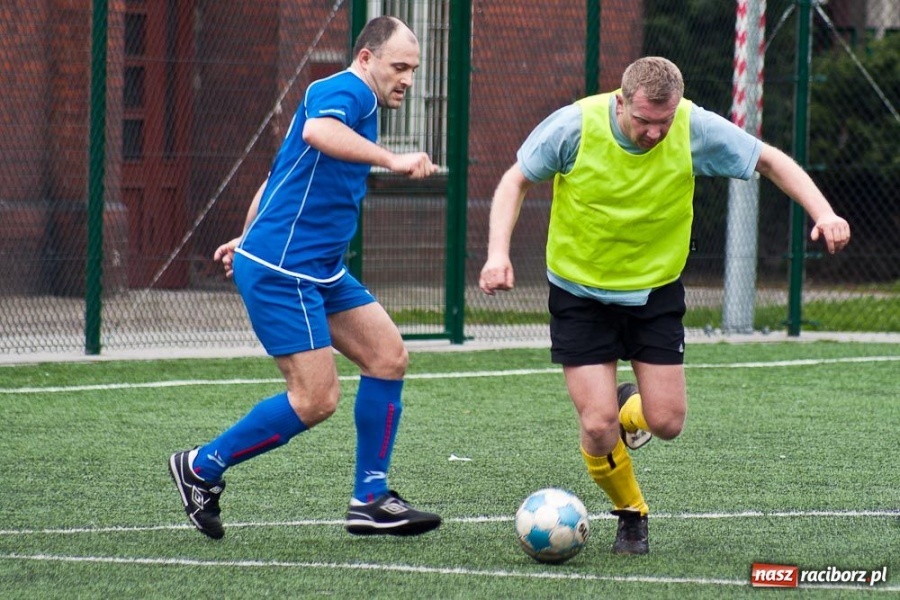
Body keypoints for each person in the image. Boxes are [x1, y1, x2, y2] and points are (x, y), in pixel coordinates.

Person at [478, 56, 851, 555]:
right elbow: (514, 181)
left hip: (655, 293)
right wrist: (498, 253)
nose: (655, 133)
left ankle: (631, 405)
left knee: (667, 423)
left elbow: (769, 160)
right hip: (579, 293)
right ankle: (632, 514)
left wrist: (823, 213)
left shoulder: (694, 126)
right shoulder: (574, 126)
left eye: (664, 120)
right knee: (597, 424)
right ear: (621, 101)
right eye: (644, 120)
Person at [168, 16, 441, 540]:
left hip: (314, 267)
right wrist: (392, 160)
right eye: (400, 66)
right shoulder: (347, 91)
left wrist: (245, 235)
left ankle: (370, 498)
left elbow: (280, 172)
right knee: (316, 399)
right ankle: (201, 467)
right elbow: (319, 132)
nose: (407, 78)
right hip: (285, 271)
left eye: (414, 69)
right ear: (366, 58)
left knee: (388, 357)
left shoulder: (361, 102)